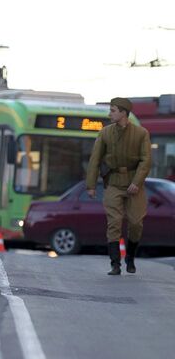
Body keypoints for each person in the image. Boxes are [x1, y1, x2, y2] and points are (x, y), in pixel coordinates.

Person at [86, 97, 151, 275]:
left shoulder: (141, 133)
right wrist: (91, 185)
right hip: (113, 183)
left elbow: (146, 161)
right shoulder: (105, 133)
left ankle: (130, 257)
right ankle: (115, 264)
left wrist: (136, 183)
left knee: (136, 223)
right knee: (113, 222)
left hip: (133, 184)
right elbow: (95, 159)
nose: (110, 114)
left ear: (123, 113)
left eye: (113, 110)